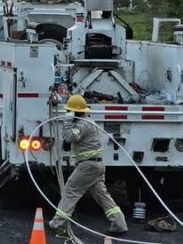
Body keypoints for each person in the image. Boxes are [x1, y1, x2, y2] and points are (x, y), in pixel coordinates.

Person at [49, 94, 128, 234]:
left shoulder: (83, 124)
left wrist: (67, 123)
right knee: (101, 195)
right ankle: (119, 223)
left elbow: (69, 137)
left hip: (88, 166)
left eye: (69, 111)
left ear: (74, 112)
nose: (68, 113)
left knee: (71, 190)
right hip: (96, 165)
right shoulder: (89, 122)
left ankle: (58, 224)